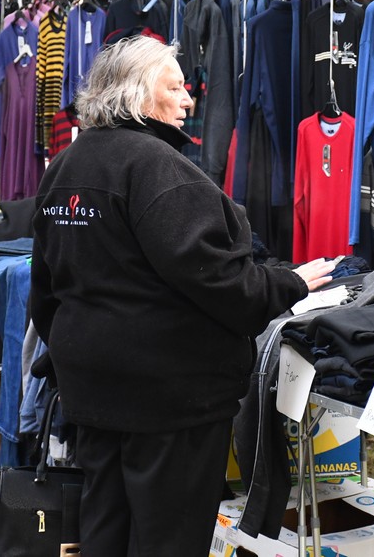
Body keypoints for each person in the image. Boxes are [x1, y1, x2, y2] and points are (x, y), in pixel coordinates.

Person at [29, 36, 335, 557]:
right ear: (138, 96)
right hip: (170, 398)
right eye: (176, 87)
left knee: (105, 527)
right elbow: (221, 284)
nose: (190, 101)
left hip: (93, 388)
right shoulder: (159, 169)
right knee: (168, 537)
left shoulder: (67, 165)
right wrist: (292, 282)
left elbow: (46, 291)